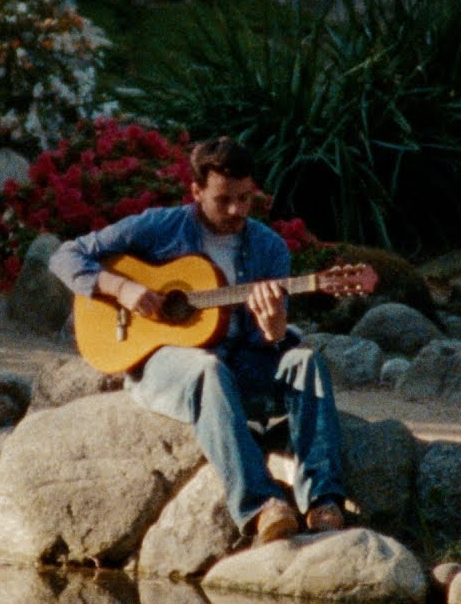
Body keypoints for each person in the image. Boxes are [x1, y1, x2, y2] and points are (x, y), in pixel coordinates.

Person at [48, 136, 346, 545]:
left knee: (306, 361)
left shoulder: (269, 248)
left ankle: (323, 500)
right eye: (224, 199)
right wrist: (122, 289)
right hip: (168, 364)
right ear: (196, 192)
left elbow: (270, 340)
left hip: (241, 364)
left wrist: (273, 323)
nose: (236, 210)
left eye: (245, 198)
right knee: (208, 367)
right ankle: (261, 505)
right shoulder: (160, 227)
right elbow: (65, 255)